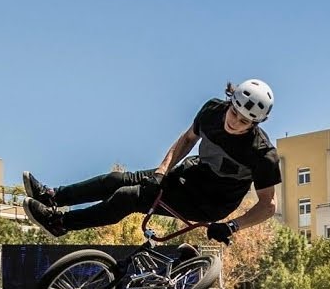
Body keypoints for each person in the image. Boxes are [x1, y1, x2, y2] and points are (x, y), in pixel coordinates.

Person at [22, 79, 281, 248]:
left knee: (128, 197)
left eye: (244, 121)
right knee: (116, 179)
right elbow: (187, 139)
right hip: (189, 174)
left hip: (207, 203)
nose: (235, 122)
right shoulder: (213, 110)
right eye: (234, 112)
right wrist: (160, 172)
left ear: (255, 124)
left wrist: (233, 226)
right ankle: (52, 197)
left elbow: (268, 205)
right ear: (230, 101)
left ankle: (60, 223)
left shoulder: (261, 153)